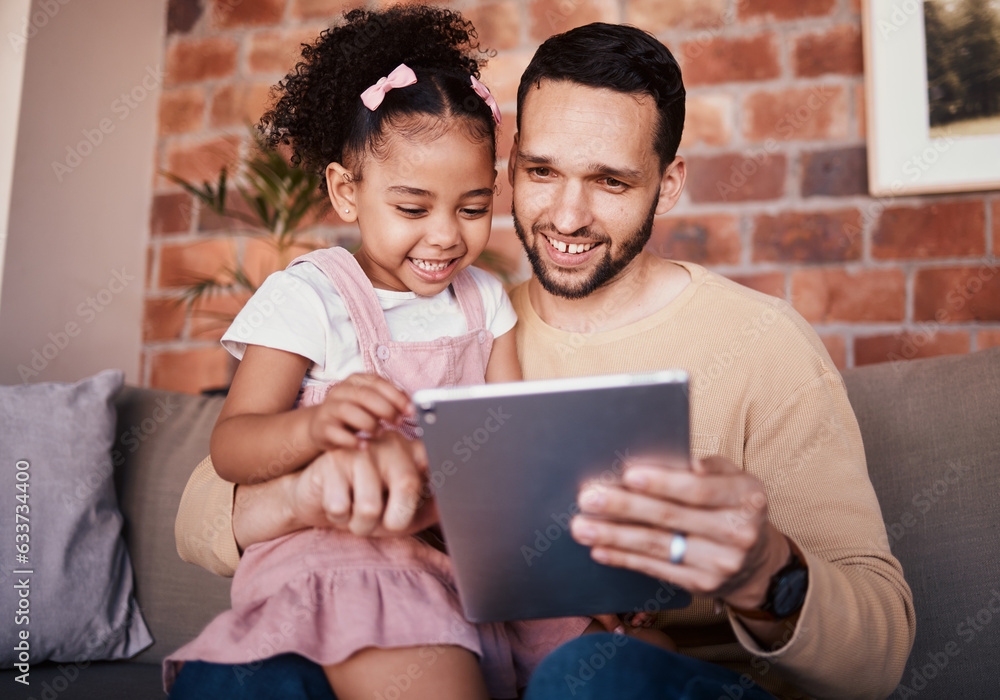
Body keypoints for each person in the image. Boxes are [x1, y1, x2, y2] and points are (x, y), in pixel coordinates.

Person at [173, 20, 916, 700]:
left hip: (632, 673)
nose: (566, 216)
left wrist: (764, 573)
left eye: (610, 181)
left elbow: (878, 659)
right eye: (540, 172)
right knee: (249, 681)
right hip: (441, 623)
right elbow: (204, 503)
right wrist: (308, 496)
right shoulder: (465, 311)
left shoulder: (765, 343)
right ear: (509, 169)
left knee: (588, 676)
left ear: (670, 182)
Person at [163, 7, 625, 699]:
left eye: (472, 208)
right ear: (346, 193)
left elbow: (511, 456)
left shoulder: (485, 303)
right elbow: (233, 447)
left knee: (626, 648)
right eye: (413, 208)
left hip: (457, 557)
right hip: (339, 558)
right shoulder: (309, 297)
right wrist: (316, 428)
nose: (444, 237)